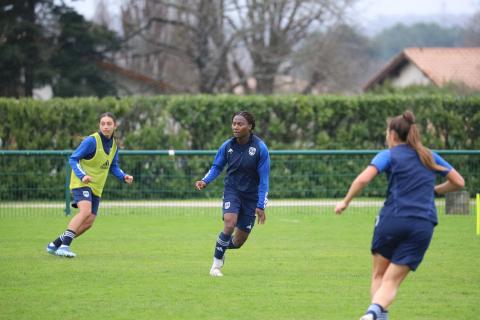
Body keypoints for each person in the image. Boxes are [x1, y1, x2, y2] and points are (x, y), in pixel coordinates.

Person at [335, 111, 464, 320]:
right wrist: (434, 191)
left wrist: (345, 201)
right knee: (392, 281)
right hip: (423, 223)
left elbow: (362, 180)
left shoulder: (388, 154)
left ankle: (372, 314)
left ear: (393, 134)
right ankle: (373, 314)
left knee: (379, 275)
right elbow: (459, 182)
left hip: (392, 219)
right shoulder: (429, 155)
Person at [46, 112, 134, 258]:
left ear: (115, 126)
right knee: (85, 212)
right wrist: (83, 175)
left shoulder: (114, 146)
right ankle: (64, 246)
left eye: (109, 124)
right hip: (81, 182)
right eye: (103, 123)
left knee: (89, 223)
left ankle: (56, 244)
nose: (105, 126)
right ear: (99, 125)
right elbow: (73, 159)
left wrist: (124, 176)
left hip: (97, 187)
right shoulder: (92, 141)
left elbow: (113, 166)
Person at [195, 111, 270, 277]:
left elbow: (264, 180)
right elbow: (216, 167)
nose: (235, 127)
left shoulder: (260, 148)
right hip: (232, 191)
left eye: (240, 124)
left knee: (237, 242)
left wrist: (260, 205)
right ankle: (216, 265)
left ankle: (221, 246)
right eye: (234, 123)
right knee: (229, 224)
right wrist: (205, 181)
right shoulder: (227, 146)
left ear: (250, 126)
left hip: (251, 197)